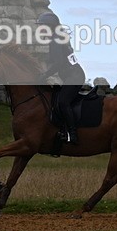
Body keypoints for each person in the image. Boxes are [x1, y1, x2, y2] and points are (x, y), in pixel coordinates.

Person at [37, 12, 86, 144]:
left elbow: (58, 63)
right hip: (72, 75)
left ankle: (72, 135)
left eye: (42, 26)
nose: (39, 29)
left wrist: (44, 75)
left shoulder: (55, 40)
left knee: (63, 102)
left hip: (74, 76)